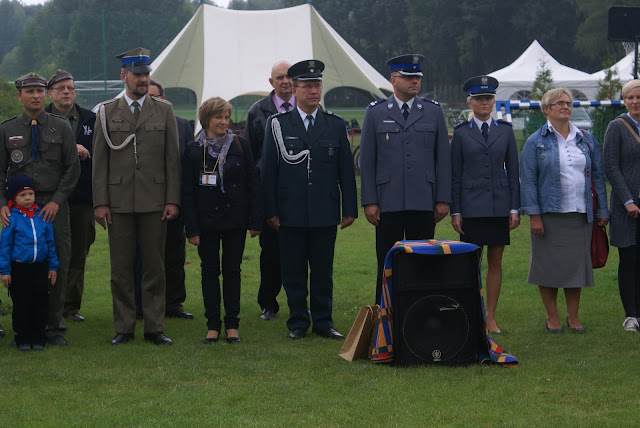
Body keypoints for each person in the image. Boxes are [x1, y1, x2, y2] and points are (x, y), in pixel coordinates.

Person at [261, 60, 358, 340]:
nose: (314, 91)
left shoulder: (334, 124)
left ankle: (323, 322)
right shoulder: (278, 124)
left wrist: (350, 208)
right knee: (293, 271)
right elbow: (268, 172)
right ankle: (298, 322)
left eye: (317, 86)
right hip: (289, 210)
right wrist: (271, 211)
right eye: (307, 86)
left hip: (324, 210)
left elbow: (345, 171)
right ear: (294, 90)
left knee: (323, 271)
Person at [92, 47, 181, 346]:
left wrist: (172, 199)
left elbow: (172, 161)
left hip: (155, 200)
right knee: (121, 268)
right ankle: (124, 327)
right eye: (137, 74)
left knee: (155, 266)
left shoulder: (164, 110)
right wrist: (100, 202)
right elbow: (99, 162)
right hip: (118, 201)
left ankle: (154, 327)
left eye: (146, 74)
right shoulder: (106, 111)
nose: (143, 79)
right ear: (124, 76)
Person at [359, 54, 451, 305]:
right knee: (387, 261)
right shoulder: (376, 112)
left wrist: (443, 199)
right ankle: (385, 313)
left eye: (417, 77)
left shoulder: (433, 111)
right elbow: (367, 161)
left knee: (423, 261)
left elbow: (443, 159)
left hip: (423, 200)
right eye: (409, 77)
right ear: (393, 80)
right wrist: (369, 201)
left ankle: (420, 312)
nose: (415, 81)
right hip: (387, 202)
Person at [520, 88, 609, 334]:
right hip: (548, 216)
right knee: (547, 269)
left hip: (580, 215)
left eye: (568, 103)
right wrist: (534, 216)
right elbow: (528, 181)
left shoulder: (586, 139)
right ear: (546, 109)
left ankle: (574, 317)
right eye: (559, 103)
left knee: (575, 268)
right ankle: (552, 318)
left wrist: (602, 209)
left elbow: (598, 177)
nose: (565, 107)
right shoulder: (535, 142)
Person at [0, 72, 80, 346]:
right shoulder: (7, 129)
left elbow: (72, 168)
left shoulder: (61, 127)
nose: (35, 96)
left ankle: (54, 326)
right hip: (19, 209)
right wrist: (2, 204)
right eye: (29, 91)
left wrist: (57, 200)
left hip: (52, 205)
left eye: (39, 91)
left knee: (59, 262)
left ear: (46, 94)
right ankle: (25, 325)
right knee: (20, 265)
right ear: (19, 96)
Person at [182, 97, 262, 344]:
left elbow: (253, 183)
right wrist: (191, 228)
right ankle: (213, 325)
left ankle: (232, 324)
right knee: (209, 272)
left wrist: (255, 220)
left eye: (227, 117)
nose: (224, 122)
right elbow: (187, 191)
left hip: (235, 219)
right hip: (205, 221)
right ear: (206, 119)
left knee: (232, 271)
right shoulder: (193, 150)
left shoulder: (240, 144)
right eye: (218, 117)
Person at [450, 75, 520, 334]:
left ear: (494, 101)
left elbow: (513, 172)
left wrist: (514, 207)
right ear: (469, 102)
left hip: (499, 205)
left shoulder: (506, 131)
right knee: (472, 262)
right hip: (471, 207)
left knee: (496, 259)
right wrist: (456, 210)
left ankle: (490, 317)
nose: (484, 103)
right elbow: (455, 175)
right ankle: (472, 313)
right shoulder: (460, 133)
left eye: (489, 98)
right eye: (479, 98)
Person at [243, 60, 294, 321]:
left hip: (298, 194)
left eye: (289, 76)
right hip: (269, 194)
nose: (285, 81)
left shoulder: (307, 108)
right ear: (271, 82)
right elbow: (249, 157)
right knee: (271, 253)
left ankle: (299, 302)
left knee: (299, 253)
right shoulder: (257, 111)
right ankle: (268, 304)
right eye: (280, 77)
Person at [45, 70, 96, 323]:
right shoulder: (41, 118)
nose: (66, 92)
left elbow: (103, 155)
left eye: (71, 88)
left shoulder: (90, 119)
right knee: (50, 250)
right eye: (61, 88)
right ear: (50, 93)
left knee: (78, 252)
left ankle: (70, 306)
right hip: (50, 198)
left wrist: (88, 153)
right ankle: (48, 303)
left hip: (82, 197)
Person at [147, 79, 194, 320]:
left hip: (174, 199)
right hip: (145, 200)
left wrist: (180, 200)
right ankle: (147, 304)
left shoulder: (182, 124)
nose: (151, 101)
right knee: (147, 257)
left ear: (164, 99)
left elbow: (187, 163)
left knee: (175, 255)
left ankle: (174, 303)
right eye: (147, 97)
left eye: (155, 97)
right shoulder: (136, 124)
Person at [0, 175, 58, 351]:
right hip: (19, 268)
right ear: (14, 198)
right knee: (22, 303)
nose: (27, 198)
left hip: (40, 267)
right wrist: (5, 271)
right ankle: (22, 337)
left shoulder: (42, 216)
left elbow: (50, 243)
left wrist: (52, 267)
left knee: (40, 302)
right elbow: (5, 246)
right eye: (22, 195)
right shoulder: (11, 218)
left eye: (30, 194)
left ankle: (38, 337)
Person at [603, 79, 640, 331]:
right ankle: (631, 315)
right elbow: (611, 167)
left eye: (639, 97)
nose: (635, 102)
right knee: (629, 259)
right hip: (627, 206)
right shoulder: (616, 127)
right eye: (630, 97)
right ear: (624, 101)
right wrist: (627, 200)